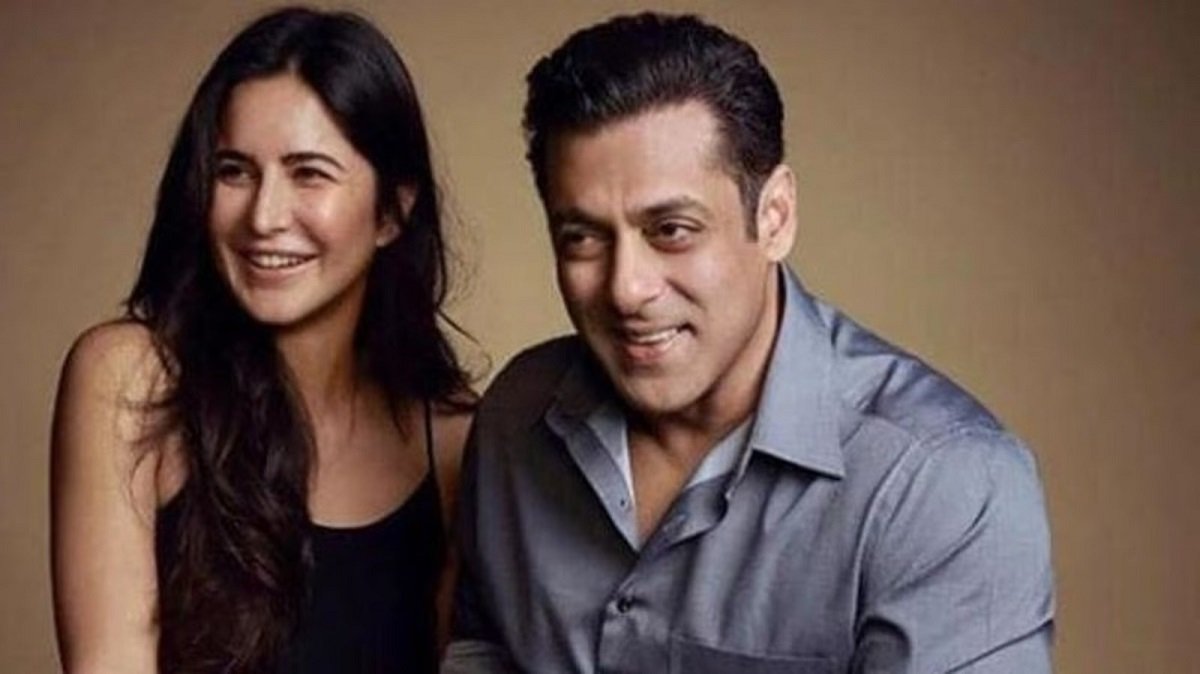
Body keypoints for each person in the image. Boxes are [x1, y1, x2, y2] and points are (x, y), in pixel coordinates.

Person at [446, 12, 1054, 673]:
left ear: (775, 217)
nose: (627, 289)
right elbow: (482, 650)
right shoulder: (518, 418)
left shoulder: (943, 485)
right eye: (583, 238)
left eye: (672, 230)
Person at [50, 8, 473, 673]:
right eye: (234, 171)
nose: (264, 217)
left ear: (392, 211)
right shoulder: (129, 379)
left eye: (309, 173)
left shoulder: (450, 439)